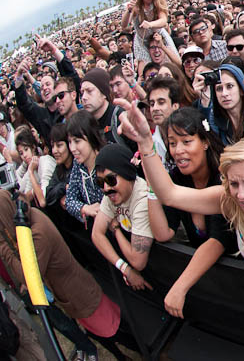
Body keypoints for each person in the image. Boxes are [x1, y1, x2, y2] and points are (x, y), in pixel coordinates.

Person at [115, 99, 244, 361]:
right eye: (235, 183)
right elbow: (169, 194)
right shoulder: (229, 198)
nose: (242, 194)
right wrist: (146, 144)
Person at [0, 190, 121, 359]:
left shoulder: (36, 233)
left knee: (114, 332)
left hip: (80, 295)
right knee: (100, 333)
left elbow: (29, 277)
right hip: (71, 295)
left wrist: (2, 246)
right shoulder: (28, 221)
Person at [145, 107, 237, 318]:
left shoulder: (224, 178)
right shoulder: (177, 178)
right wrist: (151, 187)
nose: (178, 151)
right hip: (206, 283)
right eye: (172, 143)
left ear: (204, 142)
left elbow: (218, 240)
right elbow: (162, 233)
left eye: (187, 142)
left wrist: (180, 287)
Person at [90, 144, 154, 291]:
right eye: (100, 182)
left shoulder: (142, 199)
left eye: (111, 180)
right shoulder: (112, 194)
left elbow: (138, 261)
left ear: (127, 174)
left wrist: (116, 229)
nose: (106, 188)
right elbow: (96, 234)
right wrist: (125, 268)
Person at [120, 0, 179, 66]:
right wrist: (129, 10)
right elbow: (124, 26)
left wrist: (151, 24)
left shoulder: (157, 1)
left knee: (174, 62)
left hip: (159, 37)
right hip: (142, 41)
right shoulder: (136, 5)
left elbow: (163, 21)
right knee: (147, 68)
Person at [64, 111, 105, 225]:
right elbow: (70, 200)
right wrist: (85, 208)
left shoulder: (107, 158)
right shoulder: (78, 165)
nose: (72, 148)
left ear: (91, 136)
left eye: (77, 141)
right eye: (69, 142)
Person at [14, 126, 56, 207]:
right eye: (21, 153)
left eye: (26, 149)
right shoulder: (32, 167)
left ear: (33, 147)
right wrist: (34, 191)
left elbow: (43, 201)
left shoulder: (45, 161)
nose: (25, 156)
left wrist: (30, 172)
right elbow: (23, 193)